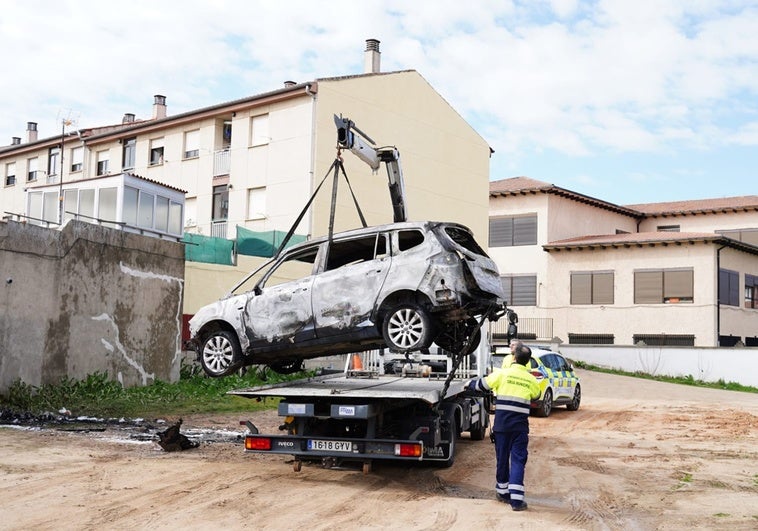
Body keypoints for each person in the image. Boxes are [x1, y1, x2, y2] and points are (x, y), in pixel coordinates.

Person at [469, 344, 540, 511]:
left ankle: (502, 492)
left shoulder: (502, 374)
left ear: (513, 358)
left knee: (502, 459)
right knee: (518, 460)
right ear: (527, 361)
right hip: (520, 427)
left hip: (502, 426)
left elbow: (481, 385)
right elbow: (536, 395)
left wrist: (468, 384)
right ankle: (516, 501)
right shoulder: (531, 379)